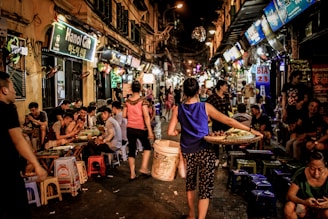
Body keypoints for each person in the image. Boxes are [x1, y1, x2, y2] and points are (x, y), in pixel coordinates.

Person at [167, 78, 262, 219]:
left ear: (184, 92)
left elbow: (170, 132)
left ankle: (191, 215)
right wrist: (251, 130)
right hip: (205, 150)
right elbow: (229, 120)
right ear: (198, 91)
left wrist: (180, 131)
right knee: (205, 187)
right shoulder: (205, 107)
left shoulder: (178, 109)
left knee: (190, 183)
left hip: (187, 151)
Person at [0, 71, 47, 219]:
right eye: (13, 86)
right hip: (7, 172)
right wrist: (36, 164)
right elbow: (18, 139)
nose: (15, 90)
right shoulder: (7, 109)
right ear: (4, 89)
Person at [123, 80, 154, 181]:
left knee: (131, 150)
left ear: (131, 89)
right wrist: (149, 131)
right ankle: (143, 168)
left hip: (130, 128)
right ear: (140, 89)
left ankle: (132, 174)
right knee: (147, 147)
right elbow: (146, 116)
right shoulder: (143, 101)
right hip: (140, 128)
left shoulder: (127, 102)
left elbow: (124, 115)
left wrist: (131, 116)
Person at [284, 150, 328, 219]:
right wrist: (304, 202)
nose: (316, 173)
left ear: (325, 165)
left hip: (323, 210)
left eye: (320, 169)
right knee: (289, 207)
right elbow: (290, 195)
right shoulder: (301, 173)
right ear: (308, 165)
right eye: (312, 169)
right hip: (304, 207)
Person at [206, 79, 232, 166]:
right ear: (221, 86)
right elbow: (207, 108)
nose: (226, 87)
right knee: (216, 141)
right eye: (225, 86)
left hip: (226, 121)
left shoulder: (227, 97)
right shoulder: (212, 97)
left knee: (227, 141)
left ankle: (227, 159)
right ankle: (216, 158)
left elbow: (228, 109)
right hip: (216, 121)